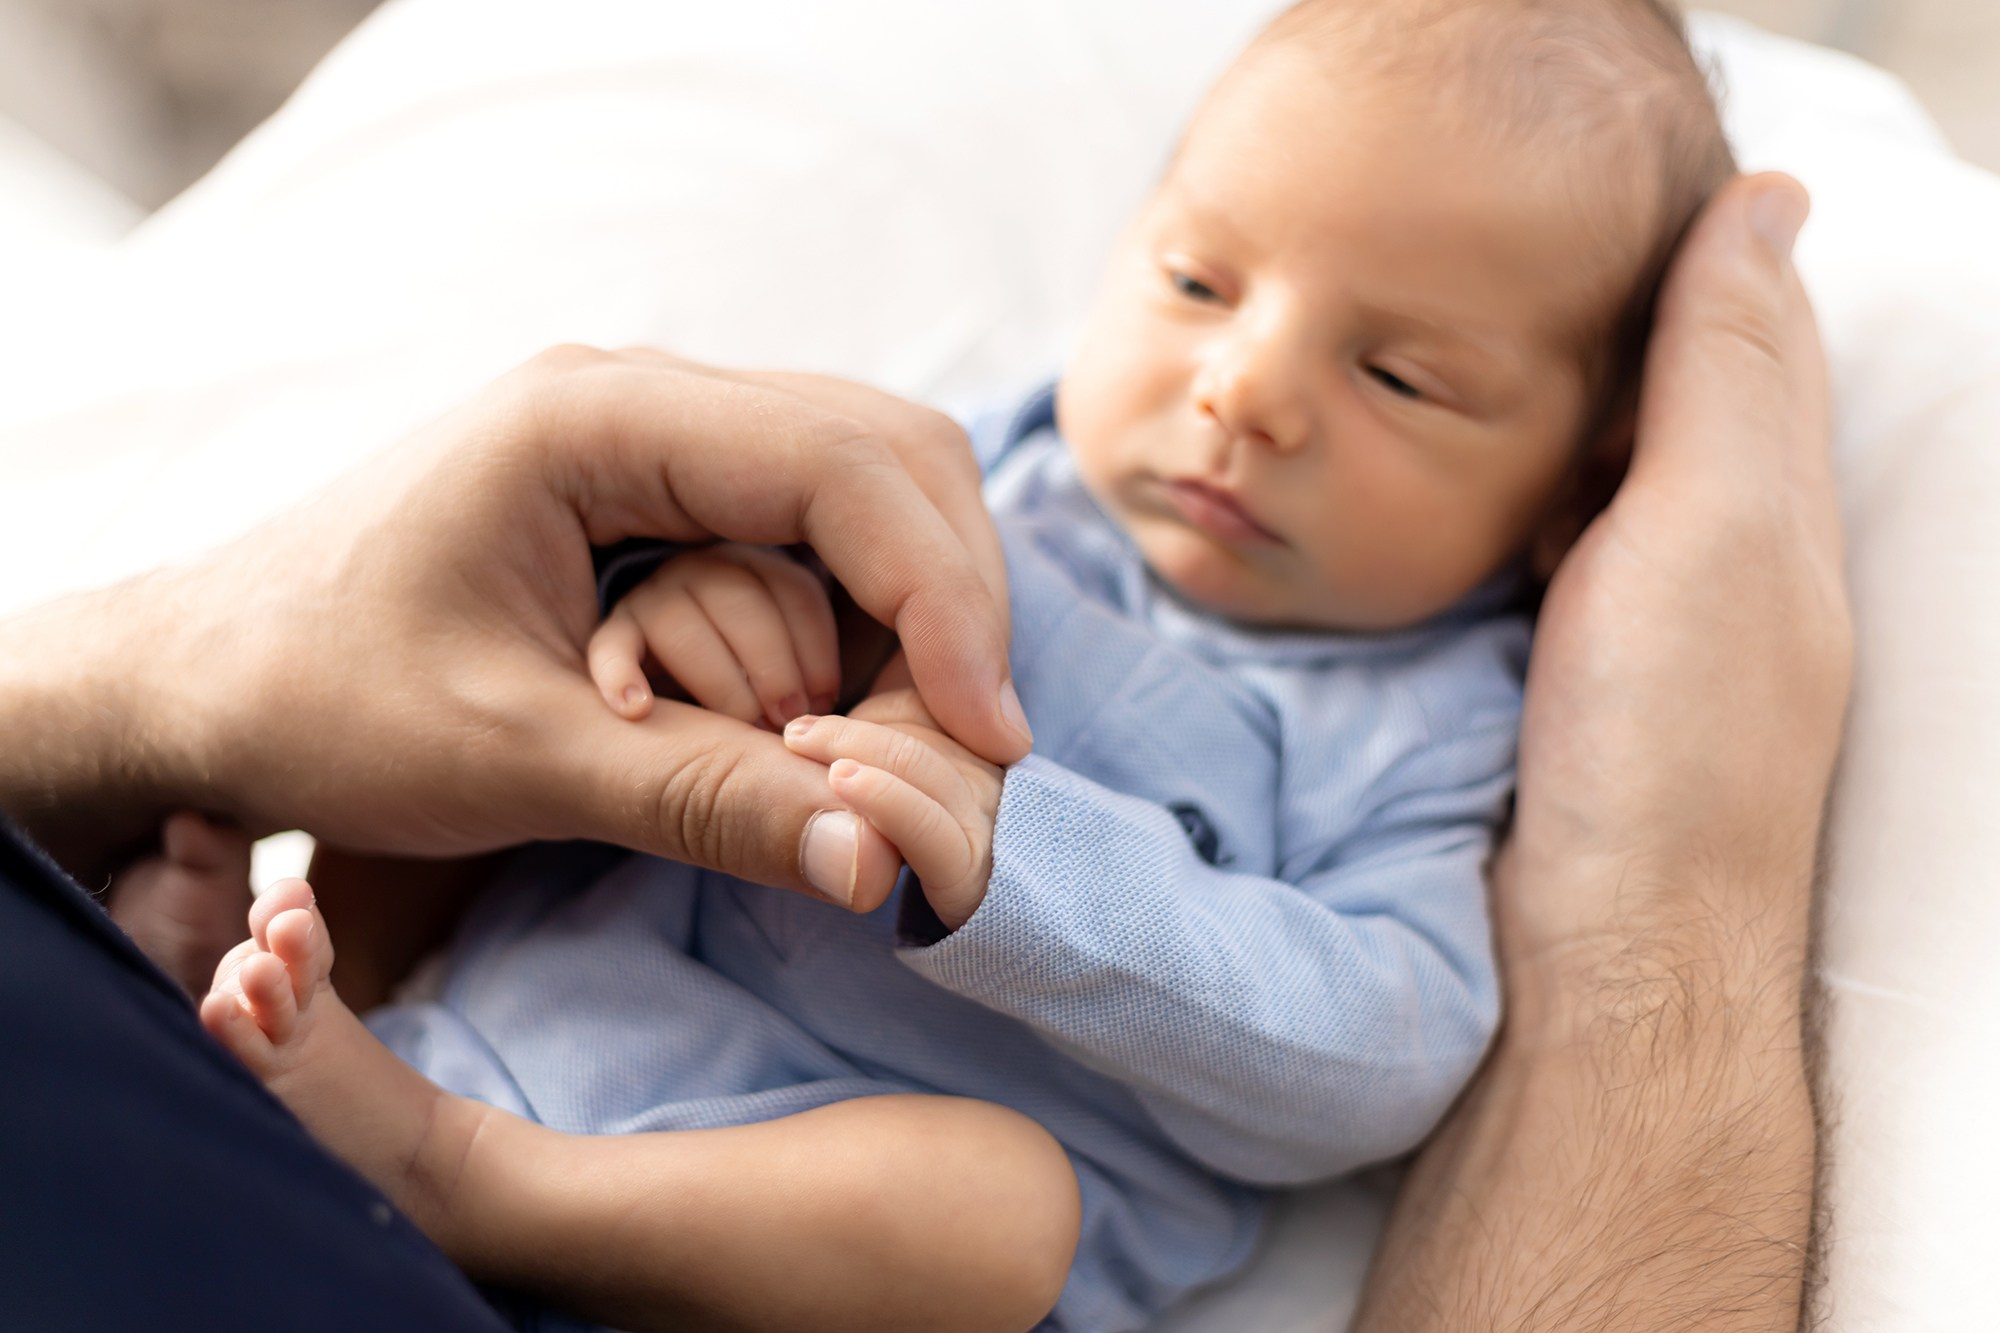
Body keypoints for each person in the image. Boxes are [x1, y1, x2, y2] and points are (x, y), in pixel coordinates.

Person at [0, 42, 1845, 1333]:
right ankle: (237, 1008)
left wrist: (1020, 863)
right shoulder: (970, 464)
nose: (1247, 387)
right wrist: (688, 612)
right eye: (1201, 277)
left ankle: (454, 1163)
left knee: (1001, 1210)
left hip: (796, 1237)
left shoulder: (1427, 732)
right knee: (462, 782)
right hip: (528, 1005)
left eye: (1407, 378)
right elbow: (630, 635)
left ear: (1571, 492)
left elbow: (1379, 1046)